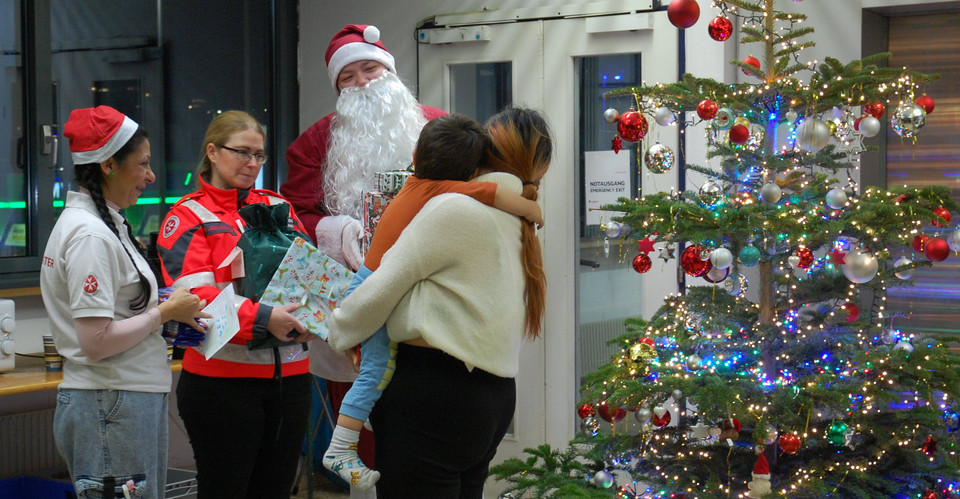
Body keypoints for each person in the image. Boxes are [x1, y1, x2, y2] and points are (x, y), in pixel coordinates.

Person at [327, 106, 552, 497]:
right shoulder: (518, 218)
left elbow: (380, 289)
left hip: (432, 396)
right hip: (491, 398)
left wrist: (340, 331)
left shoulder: (453, 209)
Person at [281, 23, 447, 480]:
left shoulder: (435, 125)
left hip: (430, 291)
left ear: (390, 71)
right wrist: (334, 229)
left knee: (424, 414)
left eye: (369, 68)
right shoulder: (317, 140)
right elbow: (293, 214)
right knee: (364, 405)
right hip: (355, 292)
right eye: (347, 77)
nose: (361, 83)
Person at [40, 105, 209, 499]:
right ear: (109, 165)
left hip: (123, 398)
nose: (151, 177)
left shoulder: (103, 225)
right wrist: (164, 312)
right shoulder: (90, 237)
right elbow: (96, 342)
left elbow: (114, 314)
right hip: (110, 401)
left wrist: (165, 314)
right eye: (143, 164)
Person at [156, 110, 314, 498]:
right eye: (242, 152)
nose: (253, 164)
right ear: (212, 151)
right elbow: (197, 301)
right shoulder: (187, 217)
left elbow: (311, 273)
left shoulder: (278, 206)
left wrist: (316, 315)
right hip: (222, 386)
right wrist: (264, 319)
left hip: (291, 379)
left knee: (276, 491)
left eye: (259, 155)